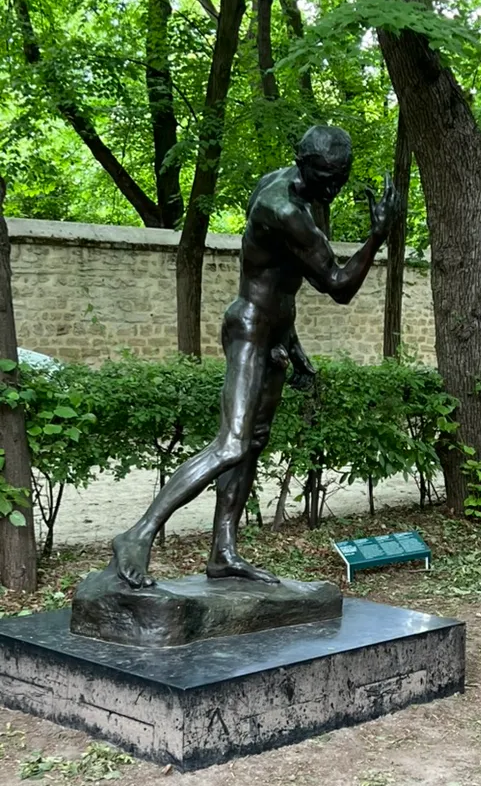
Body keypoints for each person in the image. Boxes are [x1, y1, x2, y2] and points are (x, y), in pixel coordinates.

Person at [112, 125, 398, 589]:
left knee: (253, 443)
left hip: (275, 332)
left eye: (339, 177)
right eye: (325, 176)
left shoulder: (300, 191)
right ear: (303, 162)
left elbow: (283, 275)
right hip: (250, 329)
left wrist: (293, 340)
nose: (333, 187)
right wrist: (377, 236)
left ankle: (223, 552)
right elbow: (339, 285)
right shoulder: (283, 206)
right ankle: (137, 535)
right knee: (231, 443)